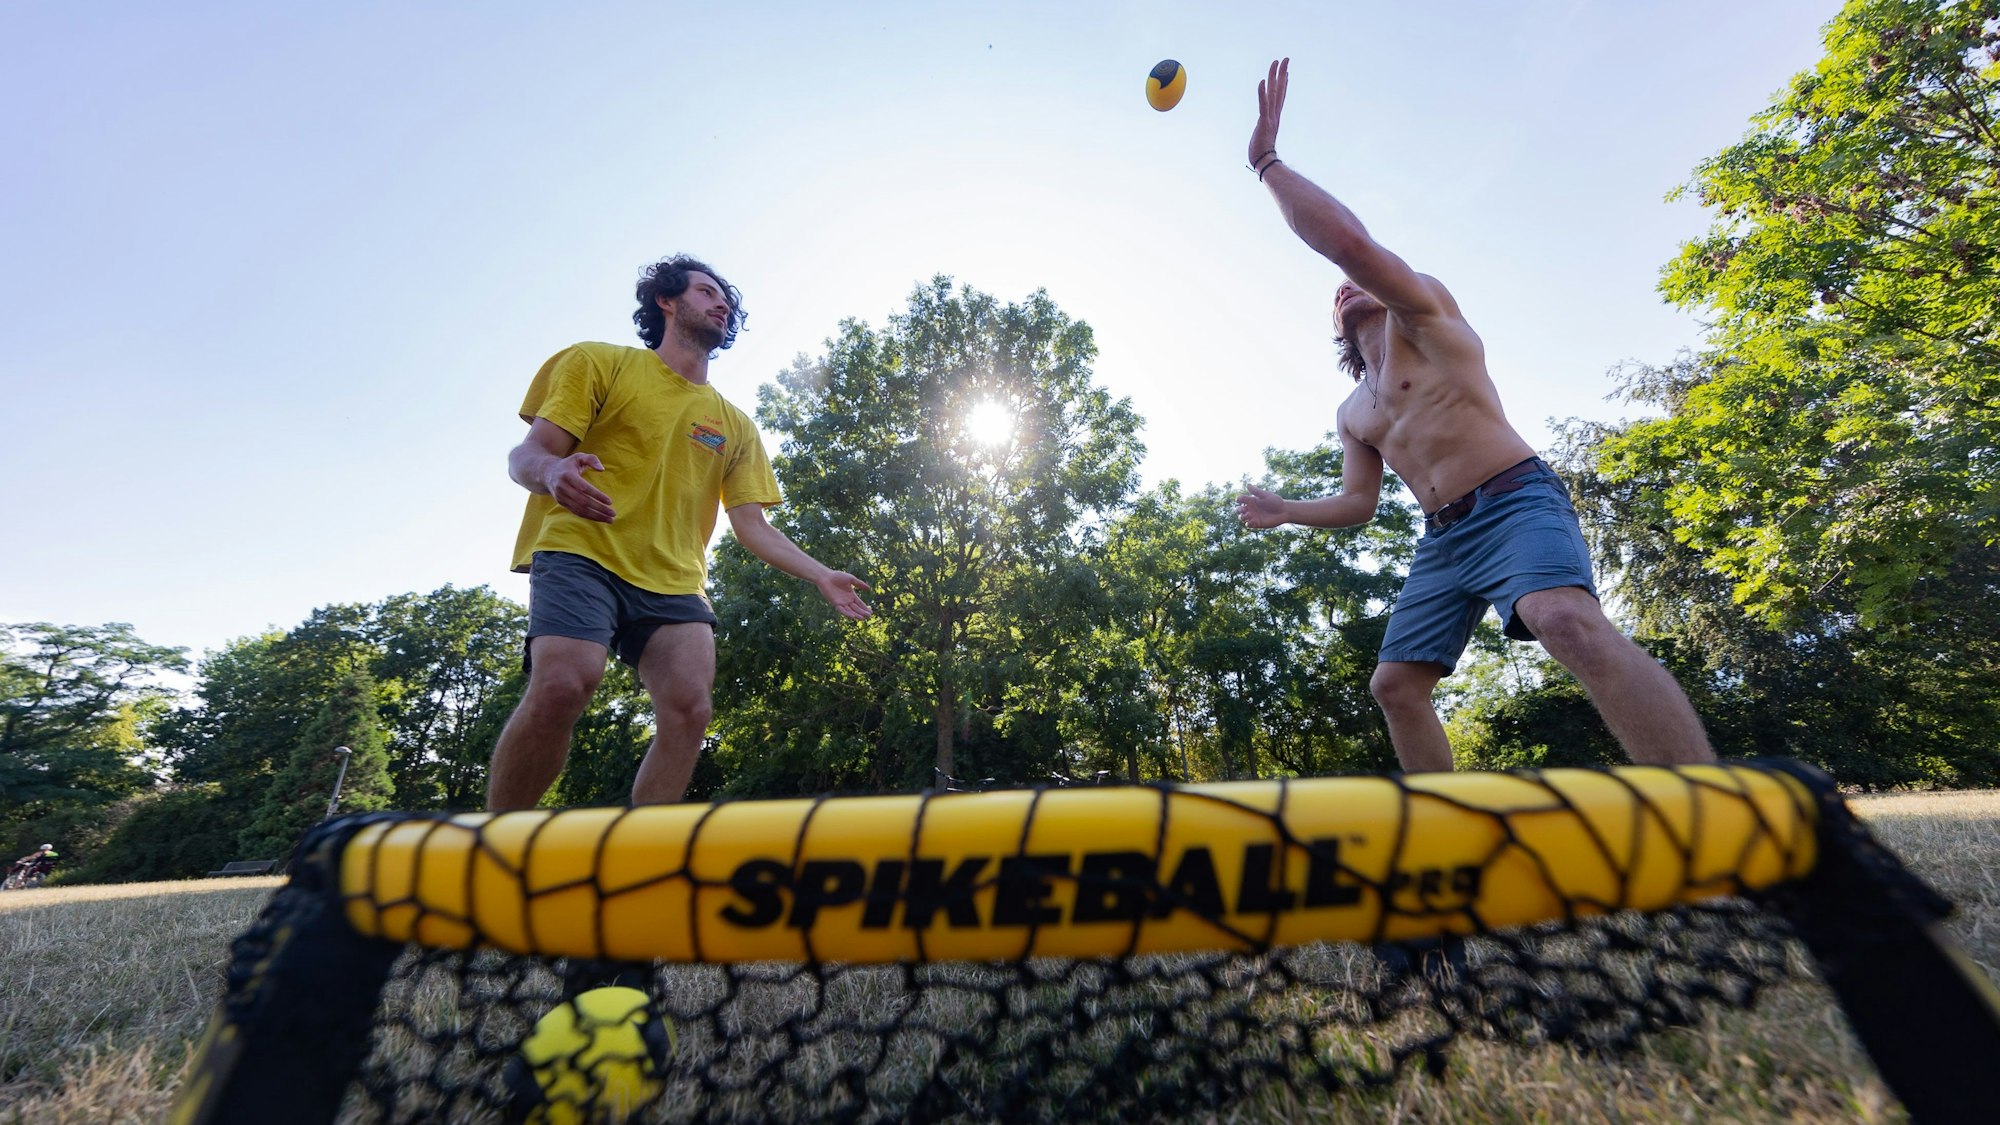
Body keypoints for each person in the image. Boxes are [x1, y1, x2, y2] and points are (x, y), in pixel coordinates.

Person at [1232, 60, 1714, 773]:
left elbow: (1352, 248)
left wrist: (1267, 163)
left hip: (1514, 501)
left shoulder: (1422, 318)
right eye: (1336, 293)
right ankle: (1447, 845)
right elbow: (1359, 503)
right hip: (1443, 541)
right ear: (1335, 325)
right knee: (1395, 686)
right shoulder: (1353, 410)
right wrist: (1287, 510)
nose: (1346, 286)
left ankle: (1705, 811)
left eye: (1353, 281)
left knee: (1566, 623)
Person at [488, 255, 873, 810]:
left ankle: (638, 858)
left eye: (727, 300)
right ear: (665, 301)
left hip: (673, 581)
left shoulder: (734, 425)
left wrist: (820, 575)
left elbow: (752, 525)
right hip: (582, 552)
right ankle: (499, 843)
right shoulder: (598, 363)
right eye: (706, 291)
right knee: (564, 685)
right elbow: (529, 455)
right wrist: (552, 472)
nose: (722, 303)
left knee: (691, 710)